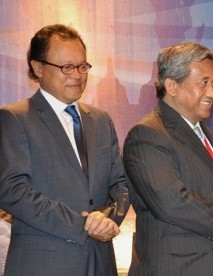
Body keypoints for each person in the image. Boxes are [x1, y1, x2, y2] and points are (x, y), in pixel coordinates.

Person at [123, 42, 213, 275]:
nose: (212, 93)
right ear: (172, 85)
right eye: (203, 83)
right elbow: (172, 202)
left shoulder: (206, 134)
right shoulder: (147, 135)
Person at [0, 24, 129, 276]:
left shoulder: (101, 120)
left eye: (83, 66)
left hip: (101, 261)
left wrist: (106, 220)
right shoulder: (15, 118)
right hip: (44, 263)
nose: (77, 75)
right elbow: (12, 191)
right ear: (38, 68)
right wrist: (83, 225)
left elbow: (120, 185)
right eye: (67, 67)